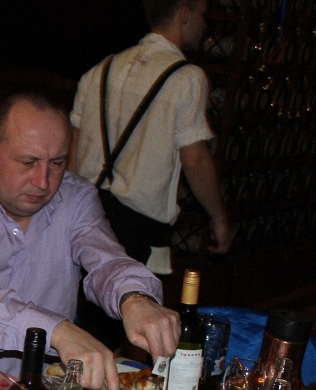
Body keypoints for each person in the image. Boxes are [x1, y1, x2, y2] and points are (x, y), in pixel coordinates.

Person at [0, 92, 180, 390]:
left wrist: (134, 297)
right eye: (27, 162)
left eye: (57, 163)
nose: (43, 182)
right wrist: (55, 331)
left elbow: (108, 261)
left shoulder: (75, 198)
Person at [68, 0, 232, 266]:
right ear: (184, 14)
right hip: (137, 227)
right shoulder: (187, 78)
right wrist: (220, 218)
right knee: (133, 292)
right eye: (203, 15)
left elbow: (74, 150)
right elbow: (195, 159)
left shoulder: (100, 70)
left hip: (84, 215)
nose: (205, 25)